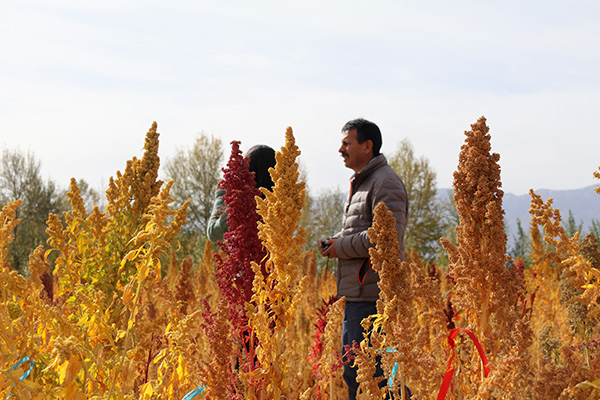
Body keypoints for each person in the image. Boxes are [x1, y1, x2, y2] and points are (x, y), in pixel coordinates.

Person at [319, 118, 409, 399]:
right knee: (359, 371)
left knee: (373, 373)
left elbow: (386, 238)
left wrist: (340, 246)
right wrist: (336, 241)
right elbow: (361, 231)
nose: (340, 149)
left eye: (347, 143)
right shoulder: (364, 182)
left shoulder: (385, 182)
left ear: (367, 146)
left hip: (373, 295)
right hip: (357, 293)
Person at [206, 144, 276, 242]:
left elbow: (213, 233)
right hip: (278, 256)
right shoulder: (282, 205)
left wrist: (221, 195)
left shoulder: (240, 202)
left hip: (243, 256)